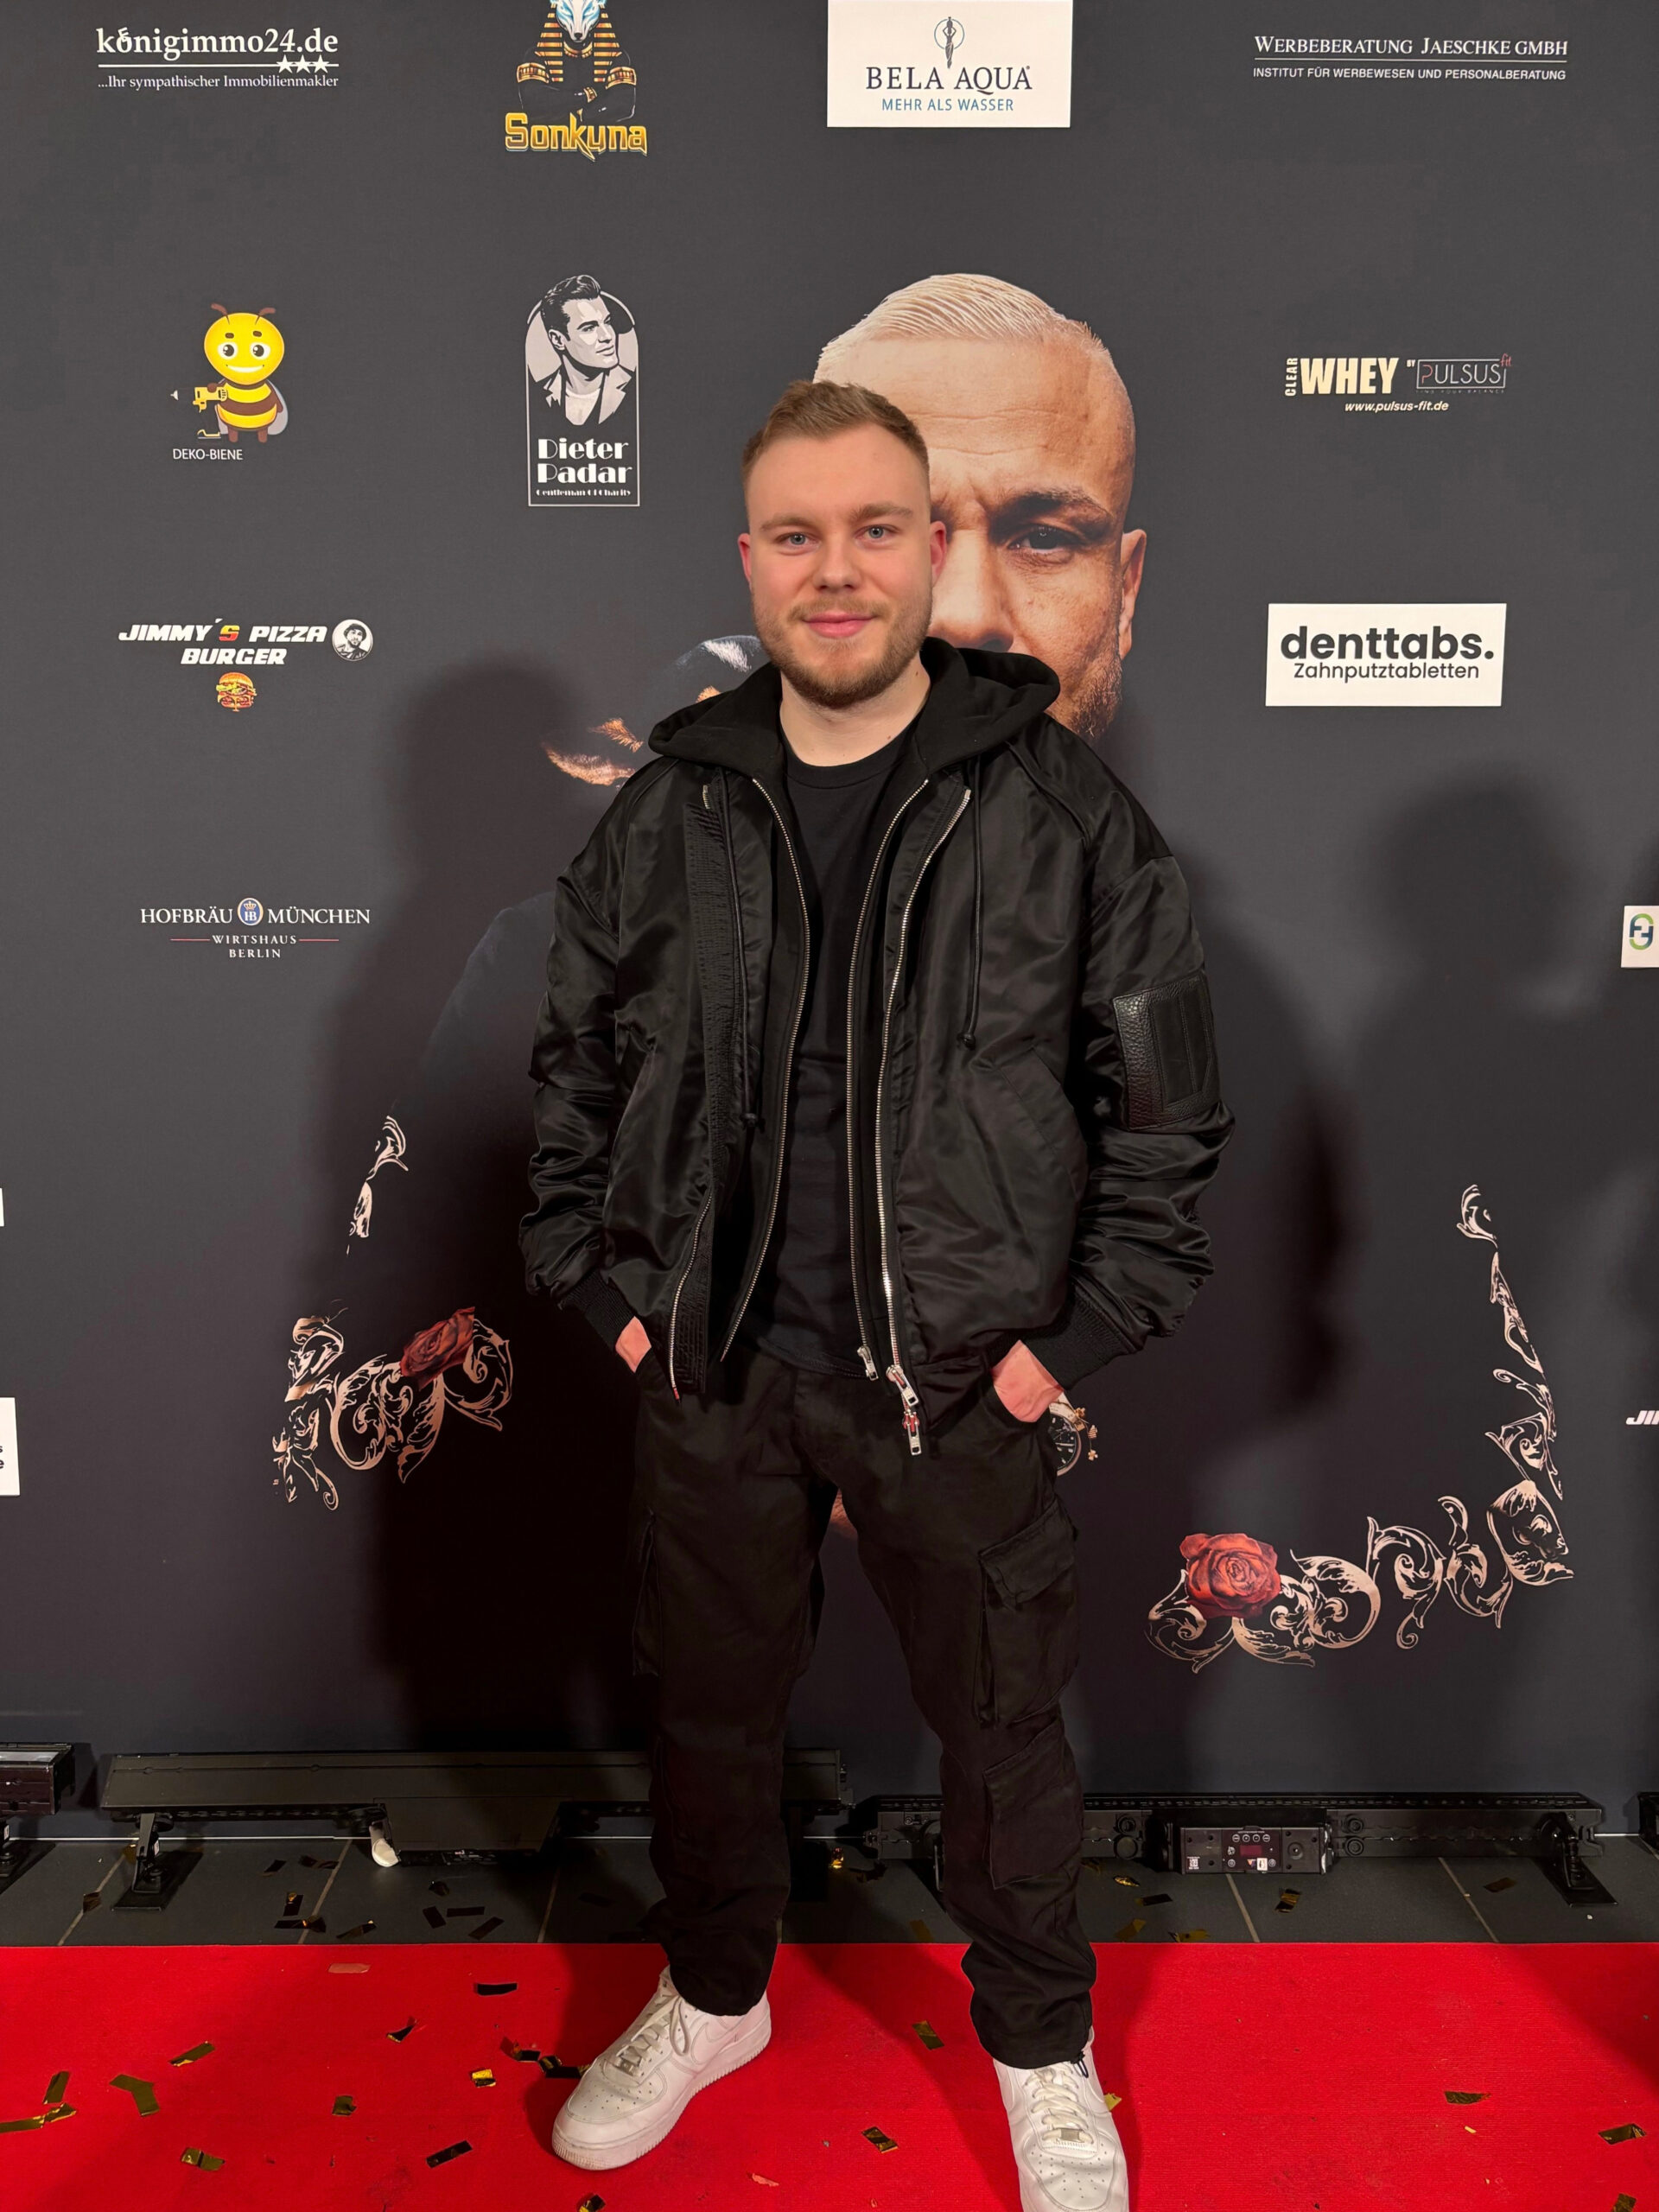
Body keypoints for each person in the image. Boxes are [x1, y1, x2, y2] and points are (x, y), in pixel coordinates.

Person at [520, 380, 1230, 2209]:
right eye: (796, 534)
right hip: (718, 1368)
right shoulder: (673, 806)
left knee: (1003, 1734)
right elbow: (573, 1068)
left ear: (927, 551)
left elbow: (1162, 1108)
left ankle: (1040, 2047)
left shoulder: (1062, 810)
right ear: (750, 560)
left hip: (962, 1378)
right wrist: (612, 1294)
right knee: (708, 1714)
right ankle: (715, 1994)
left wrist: (1063, 1346)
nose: (834, 570)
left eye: (871, 529)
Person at [528, 275, 635, 430]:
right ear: (558, 339)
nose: (607, 336)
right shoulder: (536, 393)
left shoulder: (634, 385)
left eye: (607, 322)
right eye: (589, 328)